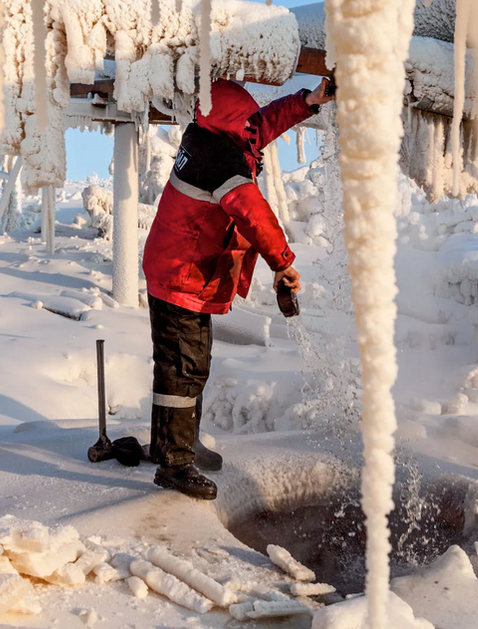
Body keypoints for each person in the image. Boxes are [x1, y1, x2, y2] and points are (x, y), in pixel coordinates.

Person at [141, 77, 335, 499]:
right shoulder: (218, 159)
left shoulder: (213, 131)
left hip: (185, 271)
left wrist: (308, 101)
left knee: (189, 363)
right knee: (182, 367)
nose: (254, 128)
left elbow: (261, 125)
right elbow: (252, 212)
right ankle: (173, 465)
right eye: (246, 121)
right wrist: (283, 263)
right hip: (180, 274)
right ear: (231, 121)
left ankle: (175, 444)